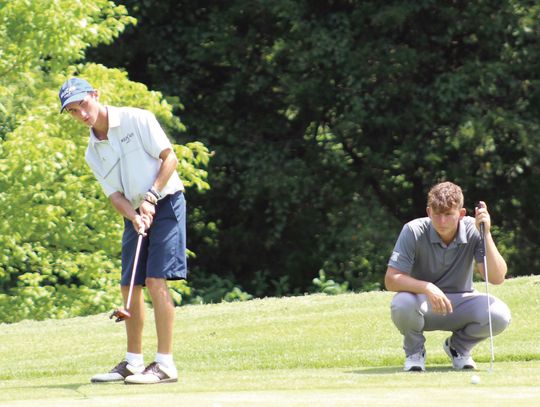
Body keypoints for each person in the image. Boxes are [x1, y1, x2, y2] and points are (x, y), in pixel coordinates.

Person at [59, 77, 187, 384]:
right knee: (129, 287)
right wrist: (134, 216)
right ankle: (133, 363)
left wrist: (152, 196)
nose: (82, 115)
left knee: (156, 280)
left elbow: (170, 158)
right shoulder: (92, 151)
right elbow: (114, 194)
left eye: (83, 105)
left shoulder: (137, 118)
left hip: (167, 202)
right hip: (134, 210)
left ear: (95, 95)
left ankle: (165, 364)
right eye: (74, 112)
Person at [385, 181, 511, 371]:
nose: (442, 222)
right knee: (401, 304)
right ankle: (414, 353)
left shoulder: (473, 229)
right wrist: (427, 287)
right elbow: (391, 279)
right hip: (423, 303)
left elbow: (496, 278)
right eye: (437, 214)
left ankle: (458, 348)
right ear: (428, 212)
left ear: (461, 214)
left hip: (461, 302)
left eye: (448, 214)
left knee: (499, 315)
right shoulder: (413, 230)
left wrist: (485, 234)